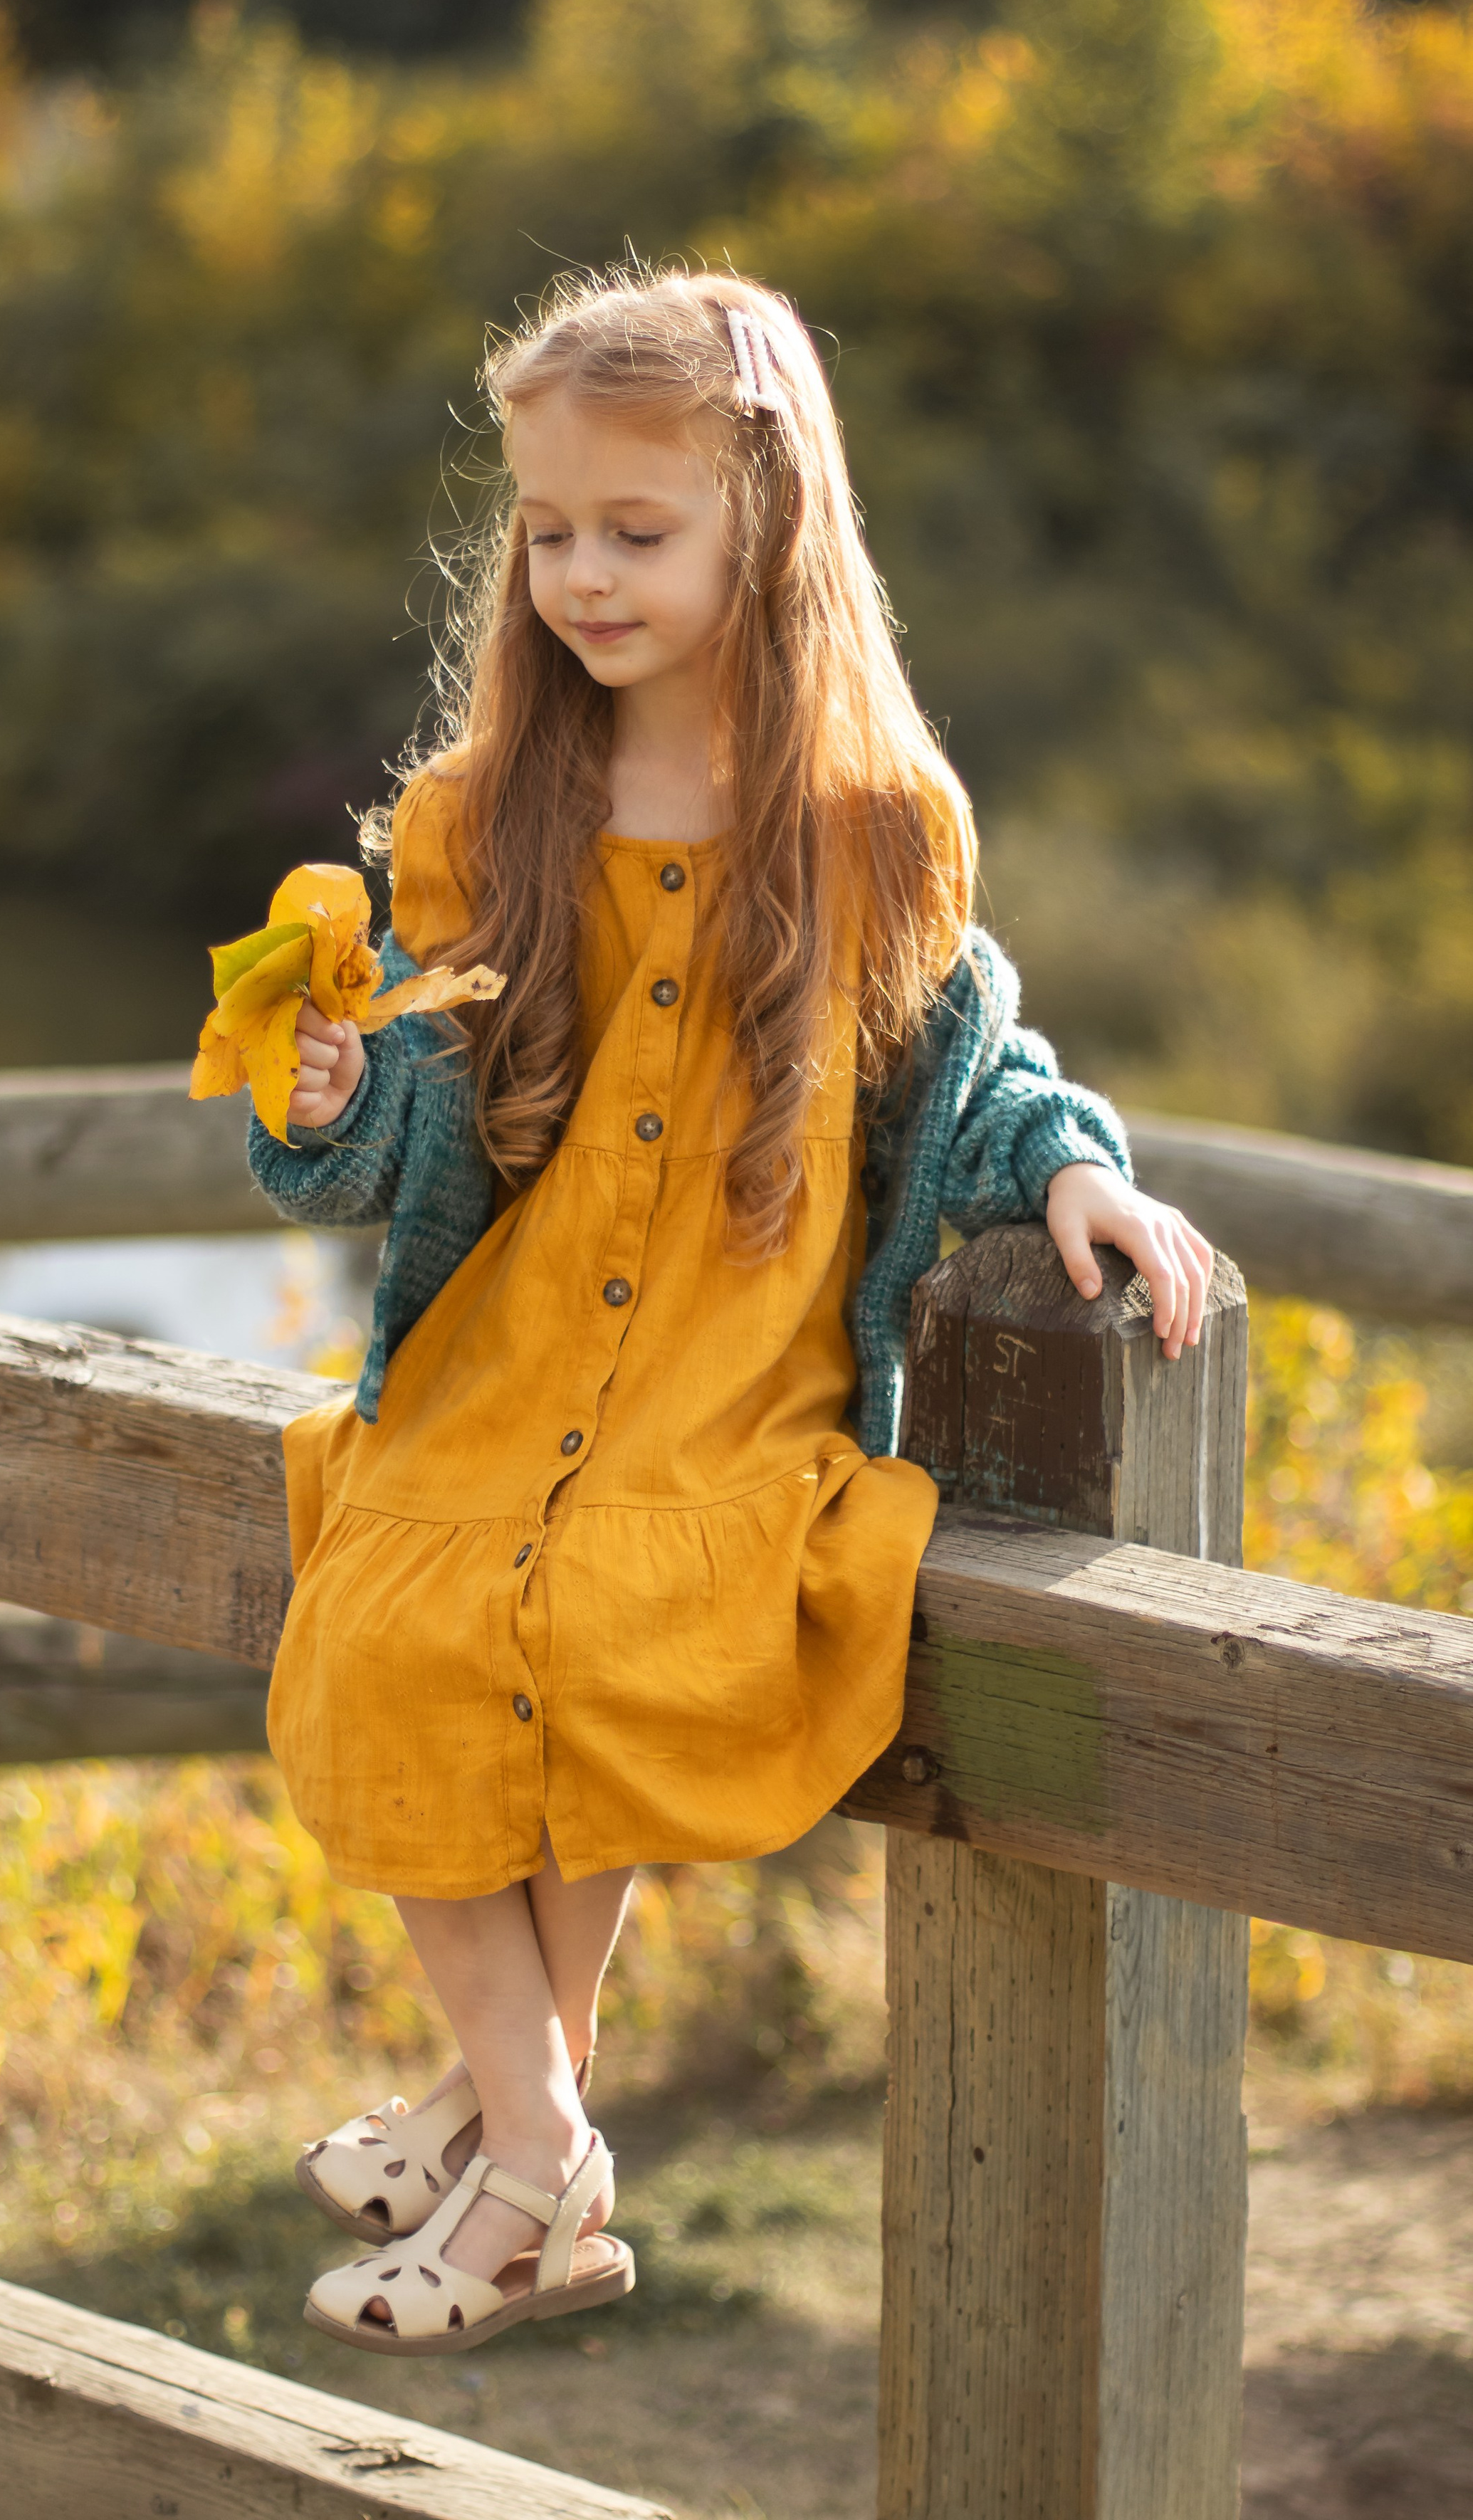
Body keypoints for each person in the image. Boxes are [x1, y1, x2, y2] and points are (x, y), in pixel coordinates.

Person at [248, 266, 1212, 2358]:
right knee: (400, 1624)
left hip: (728, 1373)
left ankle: (507, 2139)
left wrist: (1073, 1171)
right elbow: (386, 1140)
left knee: (615, 1630)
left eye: (637, 530)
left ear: (765, 527)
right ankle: (543, 2144)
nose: (581, 572)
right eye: (550, 529)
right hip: (507, 1359)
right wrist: (325, 1095)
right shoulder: (474, 817)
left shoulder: (872, 835)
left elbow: (977, 1067)